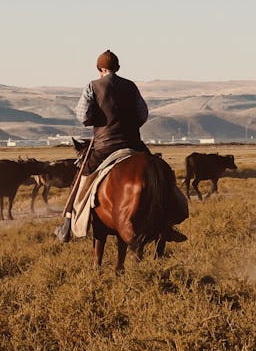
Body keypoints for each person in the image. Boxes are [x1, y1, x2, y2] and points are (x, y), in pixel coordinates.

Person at [55, 49, 186, 243]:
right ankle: (167, 224)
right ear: (117, 68)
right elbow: (142, 115)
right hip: (133, 144)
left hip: (104, 146)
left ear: (100, 69)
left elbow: (83, 117)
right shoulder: (131, 86)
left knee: (81, 179)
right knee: (162, 171)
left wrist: (98, 120)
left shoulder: (92, 86)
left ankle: (68, 224)